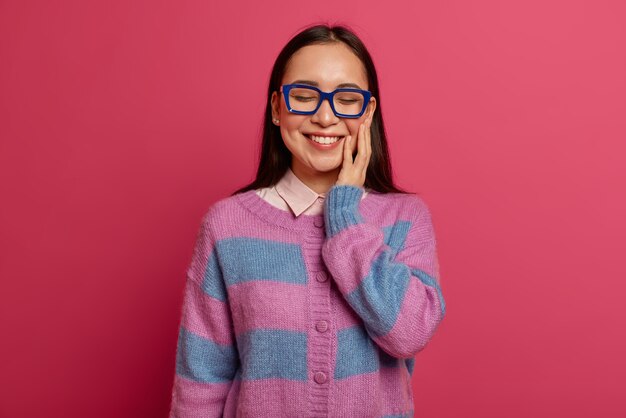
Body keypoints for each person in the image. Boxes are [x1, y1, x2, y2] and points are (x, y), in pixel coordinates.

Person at [168, 23, 446, 418]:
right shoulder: (227, 226)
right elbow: (201, 380)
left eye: (346, 99)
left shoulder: (405, 218)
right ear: (278, 110)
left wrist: (345, 215)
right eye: (304, 95)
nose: (325, 116)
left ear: (368, 112)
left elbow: (409, 333)